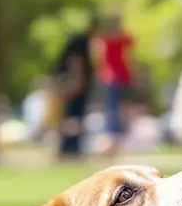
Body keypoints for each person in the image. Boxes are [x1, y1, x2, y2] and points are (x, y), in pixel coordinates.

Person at [52, 16, 99, 162]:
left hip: (70, 83)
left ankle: (69, 149)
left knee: (72, 117)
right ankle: (70, 150)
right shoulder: (82, 42)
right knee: (74, 118)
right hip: (73, 84)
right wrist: (76, 82)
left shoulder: (80, 40)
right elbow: (75, 62)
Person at [94, 13, 137, 157]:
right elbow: (129, 56)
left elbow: (97, 56)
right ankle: (113, 145)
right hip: (118, 77)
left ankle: (111, 145)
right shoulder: (120, 38)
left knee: (112, 110)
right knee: (116, 110)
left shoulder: (103, 39)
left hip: (111, 77)